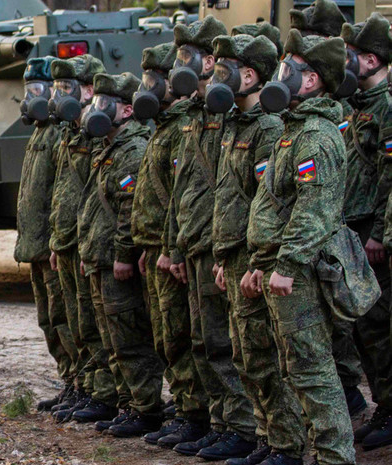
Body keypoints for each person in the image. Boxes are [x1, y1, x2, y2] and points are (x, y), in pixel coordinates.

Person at [247, 30, 355, 465]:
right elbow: (274, 204)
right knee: (297, 370)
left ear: (311, 80)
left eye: (288, 68)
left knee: (313, 371)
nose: (280, 75)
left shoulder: (316, 136)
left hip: (304, 274)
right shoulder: (293, 130)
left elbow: (315, 210)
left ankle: (335, 459)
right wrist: (260, 261)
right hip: (283, 267)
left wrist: (287, 264)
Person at [208, 25, 307, 465]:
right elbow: (228, 197)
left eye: (224, 69)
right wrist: (223, 256)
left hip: (257, 259)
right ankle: (265, 437)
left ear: (248, 77)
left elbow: (268, 204)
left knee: (265, 354)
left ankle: (286, 443)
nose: (213, 76)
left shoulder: (267, 128)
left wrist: (258, 262)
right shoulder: (236, 122)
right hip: (235, 257)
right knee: (246, 354)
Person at [164, 16, 258, 459]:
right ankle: (218, 422)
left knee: (226, 344)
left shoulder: (233, 119)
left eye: (193, 57)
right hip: (199, 243)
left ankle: (240, 425)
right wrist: (176, 246)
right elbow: (182, 191)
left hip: (224, 246)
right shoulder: (195, 117)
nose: (185, 66)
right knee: (203, 342)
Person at [289, 0, 368, 418]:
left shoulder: (339, 93)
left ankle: (350, 399)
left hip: (342, 219)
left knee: (344, 324)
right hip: (321, 217)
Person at [76, 72, 165, 435]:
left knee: (129, 338)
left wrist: (123, 254)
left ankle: (145, 407)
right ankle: (127, 403)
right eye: (95, 102)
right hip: (99, 257)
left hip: (116, 262)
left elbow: (130, 210)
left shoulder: (132, 151)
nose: (95, 110)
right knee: (111, 338)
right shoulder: (107, 148)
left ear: (127, 110)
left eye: (105, 104)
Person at [131, 41, 210, 447]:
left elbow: (182, 197)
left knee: (185, 336)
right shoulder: (163, 126)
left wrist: (170, 248)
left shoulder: (183, 126)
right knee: (167, 337)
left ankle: (195, 414)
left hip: (177, 249)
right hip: (160, 247)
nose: (149, 87)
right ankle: (184, 409)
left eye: (155, 80)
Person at [46, 55, 129, 423]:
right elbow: (64, 195)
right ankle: (84, 386)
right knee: (77, 322)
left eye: (66, 89)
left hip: (97, 246)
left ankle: (106, 394)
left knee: (104, 329)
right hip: (74, 242)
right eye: (56, 89)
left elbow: (100, 198)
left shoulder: (98, 137)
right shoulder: (69, 133)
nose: (58, 96)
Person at [340, 13, 392, 452]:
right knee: (364, 327)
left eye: (351, 56)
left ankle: (391, 409)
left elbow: (389, 176)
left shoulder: (387, 107)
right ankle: (383, 406)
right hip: (354, 232)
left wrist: (378, 233)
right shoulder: (358, 106)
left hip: (374, 236)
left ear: (372, 59)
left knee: (380, 326)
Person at [15, 56, 77, 412]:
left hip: (51, 247)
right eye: (27, 91)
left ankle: (83, 385)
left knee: (65, 318)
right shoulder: (39, 132)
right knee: (48, 320)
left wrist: (57, 241)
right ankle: (70, 382)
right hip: (34, 247)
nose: (31, 98)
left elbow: (63, 195)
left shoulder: (58, 134)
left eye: (37, 90)